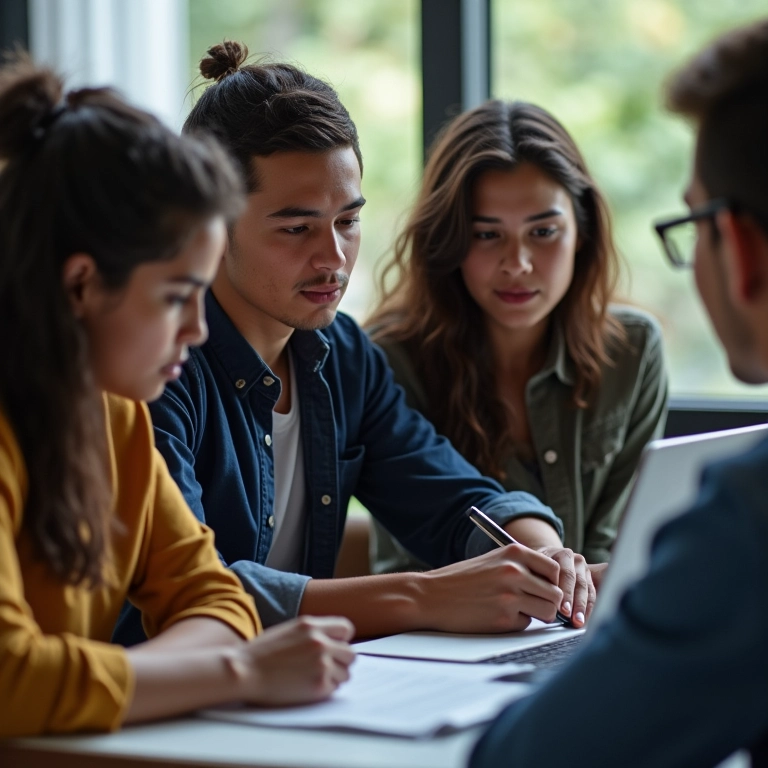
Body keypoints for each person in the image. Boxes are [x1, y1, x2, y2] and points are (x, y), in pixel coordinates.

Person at [113, 40, 596, 647]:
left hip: (288, 686)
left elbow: (449, 496)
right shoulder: (154, 367)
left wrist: (545, 558)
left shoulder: (340, 354)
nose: (334, 258)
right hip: (156, 694)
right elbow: (189, 594)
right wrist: (425, 595)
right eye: (297, 228)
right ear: (210, 224)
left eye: (348, 221)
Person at [0, 54, 355, 738]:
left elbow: (218, 600)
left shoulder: (117, 413)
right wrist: (238, 674)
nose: (195, 331)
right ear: (80, 285)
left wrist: (91, 684)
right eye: (175, 297)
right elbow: (10, 679)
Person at [470, 18, 768, 768]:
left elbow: (523, 759)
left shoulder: (753, 518)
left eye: (695, 224)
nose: (517, 264)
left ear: (739, 247)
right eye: (487, 234)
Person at [366, 100, 668, 576]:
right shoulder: (389, 360)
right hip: (444, 621)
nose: (518, 264)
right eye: (487, 235)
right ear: (449, 241)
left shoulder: (631, 350)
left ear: (582, 233)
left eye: (543, 231)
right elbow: (413, 568)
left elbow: (616, 546)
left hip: (594, 612)